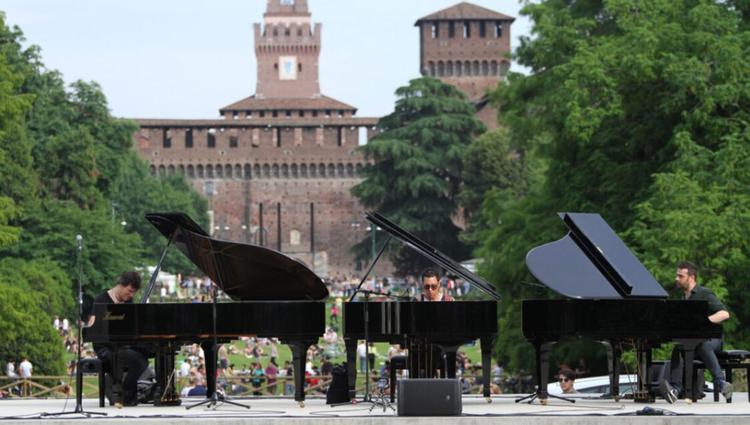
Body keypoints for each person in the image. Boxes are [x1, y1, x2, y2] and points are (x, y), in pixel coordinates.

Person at [660, 261, 733, 403]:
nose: (676, 279)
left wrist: (703, 322)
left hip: (713, 340)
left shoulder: (704, 293)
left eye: (680, 276)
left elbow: (724, 314)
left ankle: (720, 383)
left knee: (702, 344)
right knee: (678, 348)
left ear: (691, 277)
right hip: (694, 342)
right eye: (677, 275)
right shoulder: (683, 299)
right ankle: (675, 390)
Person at [89, 271, 149, 407]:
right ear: (121, 285)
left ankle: (124, 391)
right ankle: (125, 394)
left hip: (123, 345)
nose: (131, 295)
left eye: (133, 293)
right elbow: (92, 327)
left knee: (145, 354)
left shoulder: (128, 302)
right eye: (129, 291)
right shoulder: (101, 300)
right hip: (105, 347)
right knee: (139, 361)